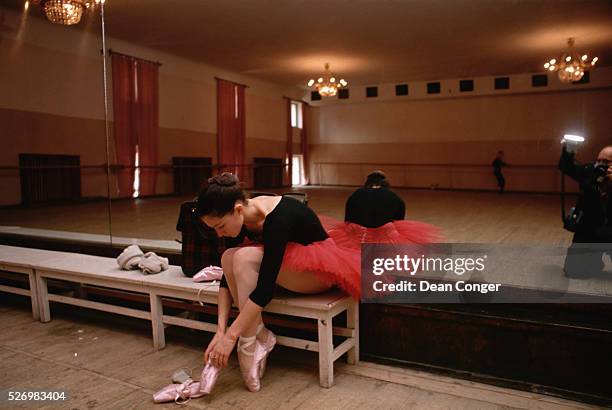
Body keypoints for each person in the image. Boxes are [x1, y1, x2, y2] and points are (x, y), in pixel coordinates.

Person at [196, 173, 360, 393]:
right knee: (228, 257)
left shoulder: (278, 217)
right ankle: (260, 334)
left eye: (221, 226)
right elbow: (227, 277)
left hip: (318, 273)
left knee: (243, 258)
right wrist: (220, 330)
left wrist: (231, 337)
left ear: (237, 209)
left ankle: (249, 345)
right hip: (287, 270)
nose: (219, 233)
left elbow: (264, 290)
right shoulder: (242, 218)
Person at [559, 143, 612, 278]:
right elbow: (566, 167)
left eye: (606, 162)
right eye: (598, 160)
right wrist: (568, 150)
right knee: (573, 271)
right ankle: (593, 262)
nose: (600, 165)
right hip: (589, 229)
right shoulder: (590, 172)